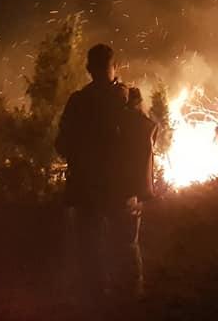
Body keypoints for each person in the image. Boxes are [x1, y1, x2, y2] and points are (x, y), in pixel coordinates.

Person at [55, 43, 143, 308]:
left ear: (88, 69)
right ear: (114, 66)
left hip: (87, 186)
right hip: (123, 185)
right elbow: (144, 140)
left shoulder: (78, 101)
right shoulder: (130, 98)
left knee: (88, 247)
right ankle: (131, 300)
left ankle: (94, 299)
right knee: (126, 243)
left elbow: (62, 144)